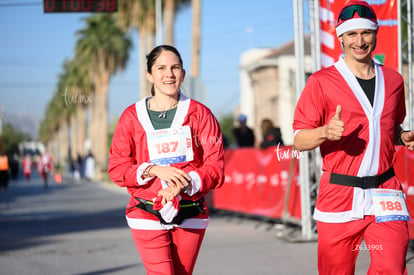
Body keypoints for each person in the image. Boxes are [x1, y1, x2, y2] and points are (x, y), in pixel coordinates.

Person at [293, 1, 414, 274]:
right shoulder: (321, 81)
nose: (359, 41)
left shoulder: (394, 80)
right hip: (340, 194)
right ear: (340, 37)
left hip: (386, 192)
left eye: (366, 33)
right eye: (351, 34)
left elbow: (388, 128)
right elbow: (299, 140)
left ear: (376, 33)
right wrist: (324, 132)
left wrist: (402, 136)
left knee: (393, 268)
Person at [108, 45, 225, 275]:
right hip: (146, 211)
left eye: (175, 68)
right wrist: (153, 170)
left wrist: (184, 182)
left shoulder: (201, 115)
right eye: (161, 68)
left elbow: (216, 166)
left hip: (191, 211)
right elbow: (117, 167)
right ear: (149, 75)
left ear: (183, 73)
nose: (169, 74)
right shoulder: (131, 117)